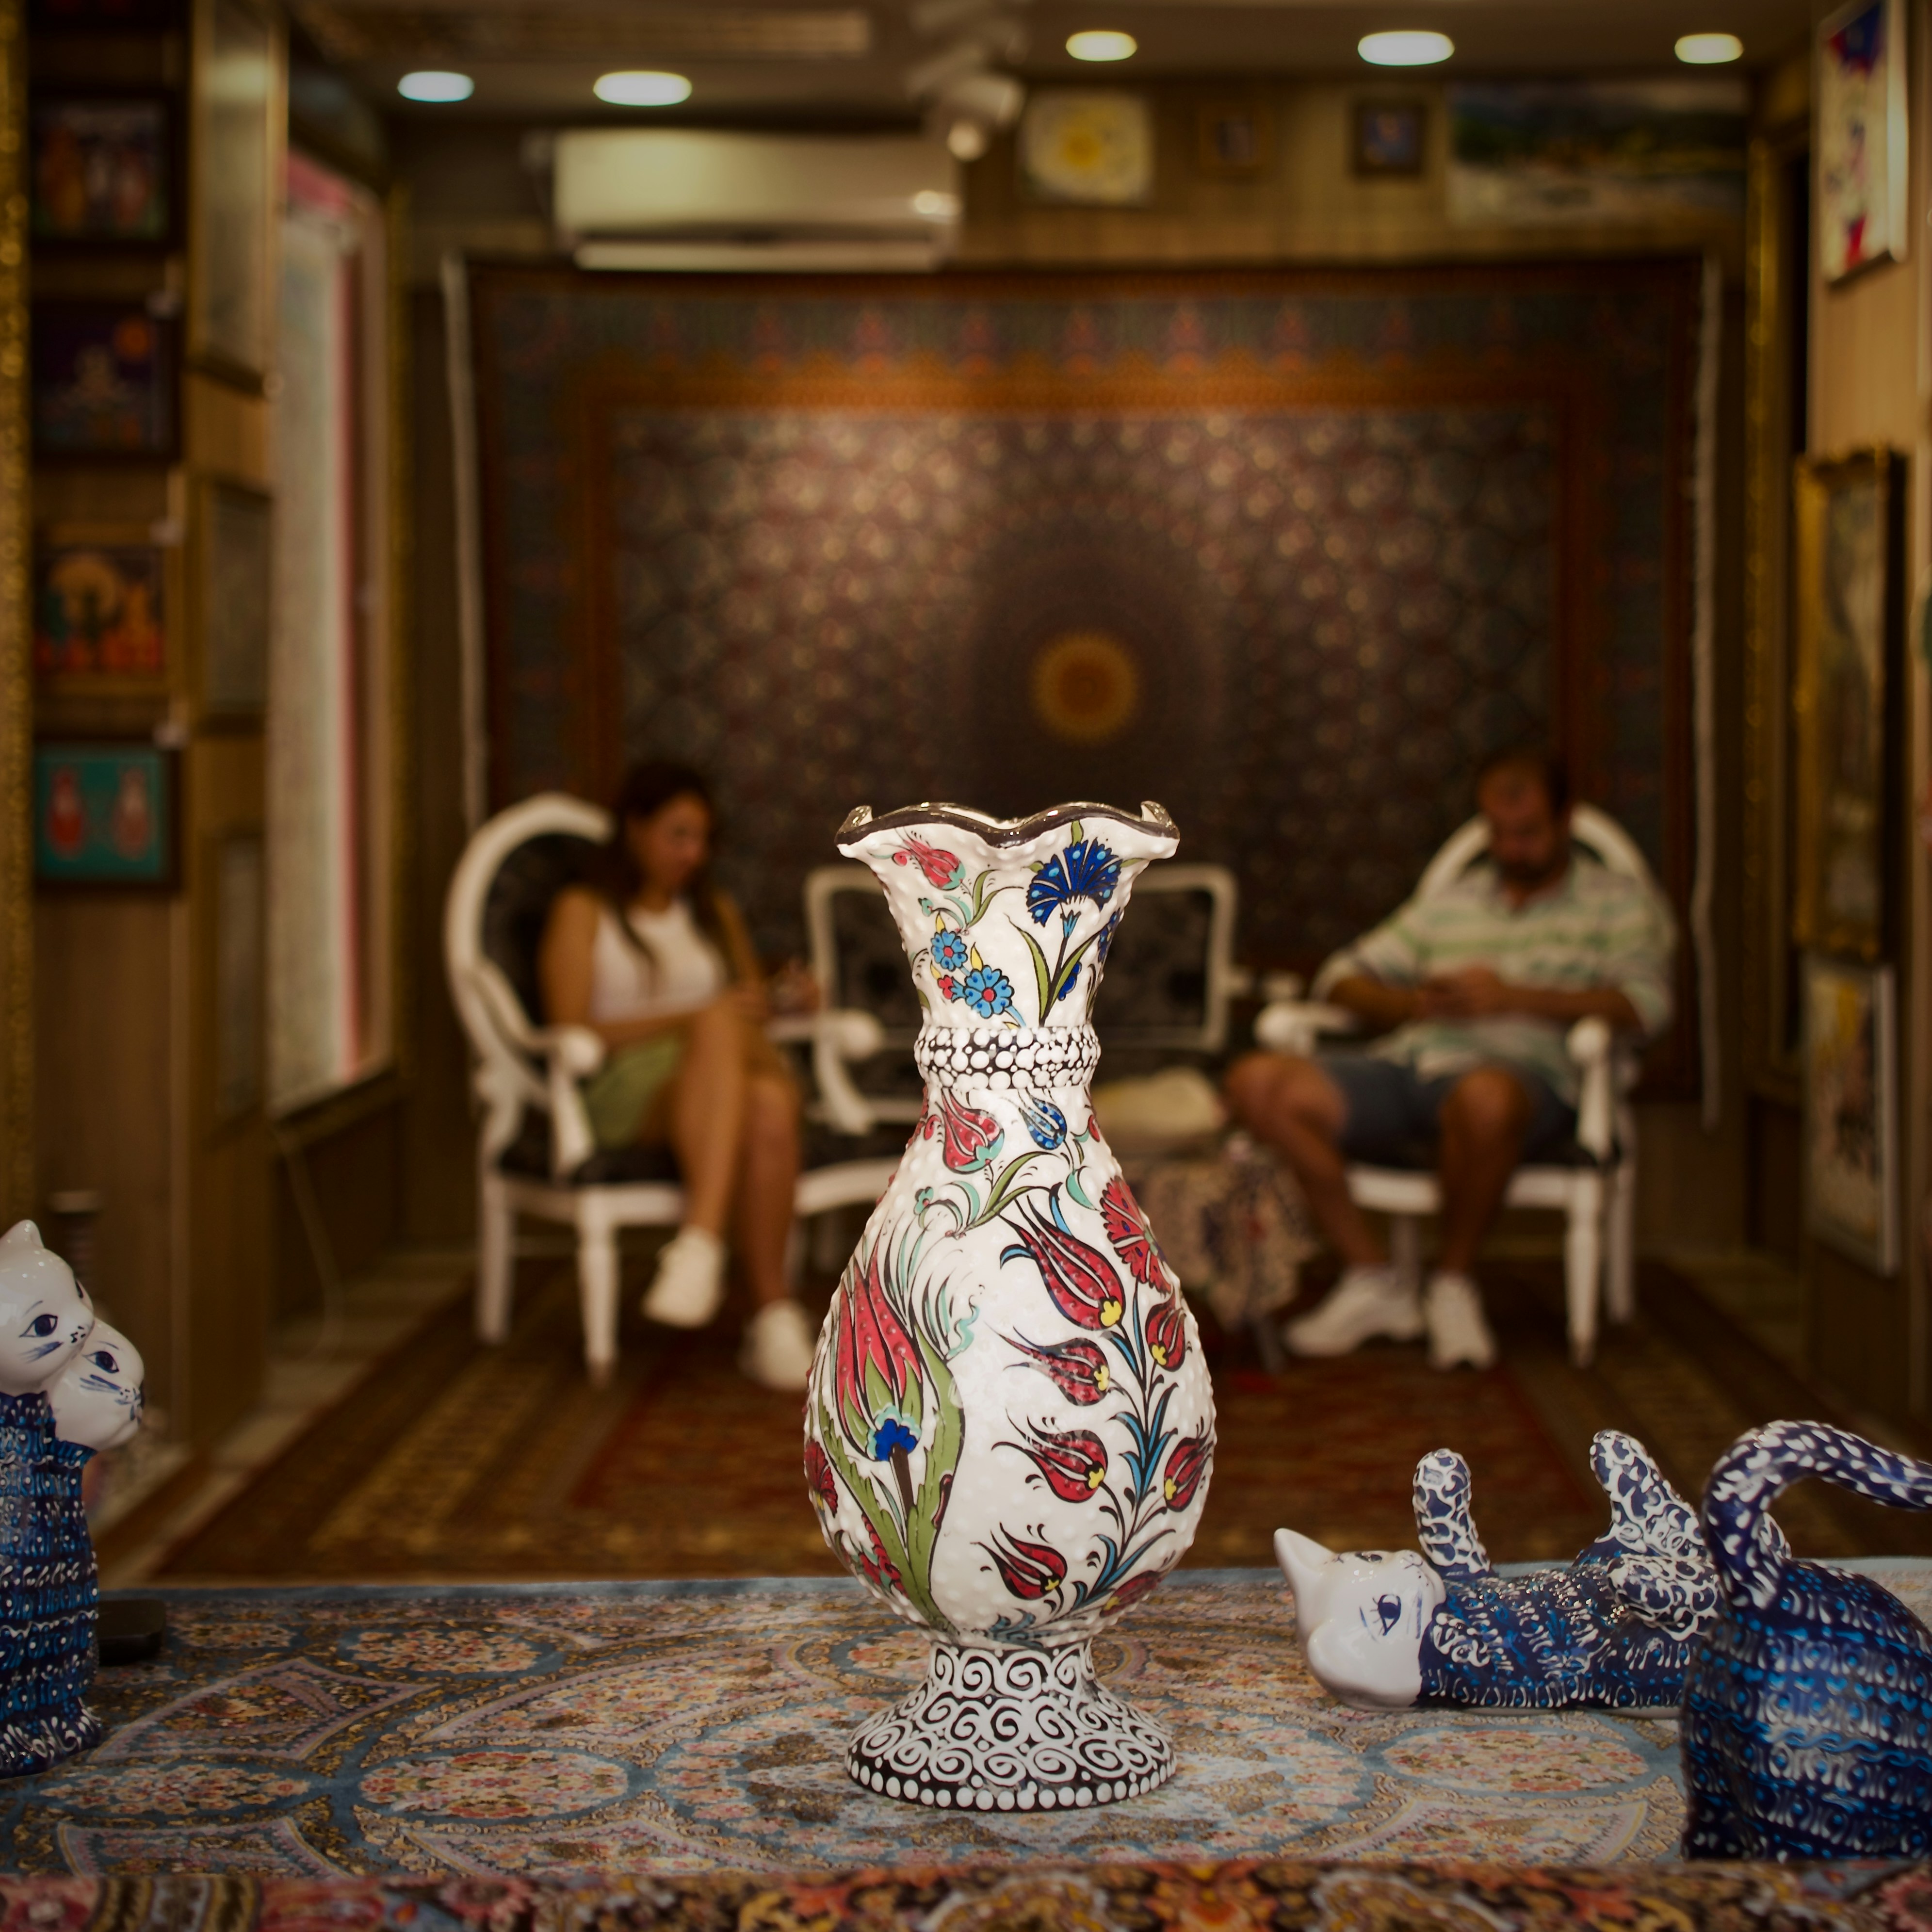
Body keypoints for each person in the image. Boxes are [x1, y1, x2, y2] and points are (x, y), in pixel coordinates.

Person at [1225, 749, 1672, 1371]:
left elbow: (1646, 1005)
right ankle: (1372, 1278)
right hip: (1413, 1065)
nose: (1511, 849)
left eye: (1528, 832)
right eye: (1498, 832)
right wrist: (1413, 1002)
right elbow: (1339, 978)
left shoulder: (1614, 901)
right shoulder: (1452, 901)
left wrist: (1513, 997)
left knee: (1484, 1097)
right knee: (1258, 1082)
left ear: (1565, 818)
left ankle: (1451, 1283)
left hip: (1525, 1079)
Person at [538, 760, 815, 1391]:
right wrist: (694, 1016)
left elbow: (749, 1013)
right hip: (623, 1089)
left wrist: (785, 1001)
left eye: (701, 839)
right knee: (727, 1033)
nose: (691, 853)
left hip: (720, 1085)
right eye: (677, 834)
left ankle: (740, 1288)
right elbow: (571, 1025)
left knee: (766, 1099)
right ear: (633, 827)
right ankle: (742, 1281)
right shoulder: (582, 910)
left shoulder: (712, 912)